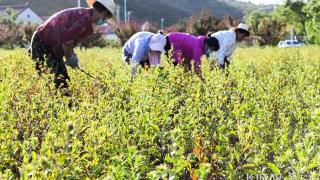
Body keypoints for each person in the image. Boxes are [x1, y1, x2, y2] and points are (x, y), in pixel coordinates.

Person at [29, 0, 118, 91]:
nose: (105, 20)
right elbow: (67, 41)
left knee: (60, 81)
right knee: (58, 82)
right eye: (107, 17)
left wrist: (71, 55)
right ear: (104, 13)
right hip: (43, 43)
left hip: (48, 44)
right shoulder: (84, 19)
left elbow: (69, 40)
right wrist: (69, 57)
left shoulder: (85, 16)